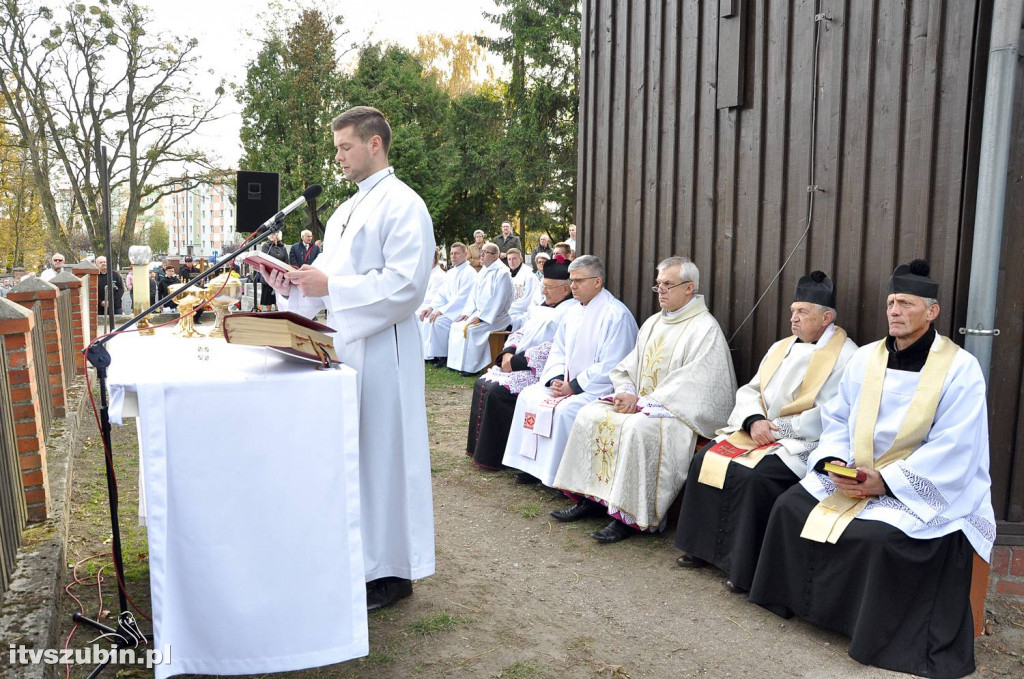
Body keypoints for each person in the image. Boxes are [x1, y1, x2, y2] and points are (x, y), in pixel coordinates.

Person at [748, 260, 995, 679]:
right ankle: (801, 605)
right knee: (791, 507)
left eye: (905, 303)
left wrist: (889, 482)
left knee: (881, 540)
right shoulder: (865, 359)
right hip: (857, 472)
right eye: (891, 302)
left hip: (917, 484)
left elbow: (956, 445)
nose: (894, 311)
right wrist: (835, 465)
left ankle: (865, 632)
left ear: (932, 312)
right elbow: (839, 420)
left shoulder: (960, 368)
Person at [258, 105, 436, 611]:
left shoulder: (404, 205)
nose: (338, 157)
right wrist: (291, 287)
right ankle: (361, 557)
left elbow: (405, 286)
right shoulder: (343, 212)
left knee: (385, 456)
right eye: (336, 148)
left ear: (374, 143)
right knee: (355, 454)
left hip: (384, 350)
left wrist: (330, 285)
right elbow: (325, 285)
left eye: (345, 147)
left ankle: (393, 572)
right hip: (346, 347)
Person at [674, 271, 858, 591]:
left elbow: (834, 412)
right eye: (792, 311)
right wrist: (754, 420)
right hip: (759, 430)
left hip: (801, 440)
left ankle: (742, 566)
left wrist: (781, 428)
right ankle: (703, 549)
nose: (793, 318)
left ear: (827, 317)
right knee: (707, 459)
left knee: (756, 477)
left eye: (802, 312)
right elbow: (751, 389)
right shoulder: (781, 347)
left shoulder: (848, 356)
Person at [551, 256, 736, 542]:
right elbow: (628, 367)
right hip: (643, 404)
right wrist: (626, 391)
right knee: (590, 413)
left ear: (689, 288)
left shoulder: (704, 329)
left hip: (677, 414)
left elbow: (698, 385)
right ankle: (591, 500)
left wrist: (643, 403)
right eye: (658, 285)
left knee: (636, 429)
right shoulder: (653, 323)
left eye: (668, 285)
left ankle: (627, 517)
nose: (661, 290)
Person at [501, 255, 638, 486]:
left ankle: (559, 477)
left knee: (565, 411)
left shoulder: (616, 315)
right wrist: (555, 378)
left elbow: (613, 364)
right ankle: (534, 466)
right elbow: (559, 350)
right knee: (528, 396)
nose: (572, 286)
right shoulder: (573, 312)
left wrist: (573, 386)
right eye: (571, 280)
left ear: (597, 281)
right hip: (565, 382)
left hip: (597, 387)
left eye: (578, 281)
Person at [466, 259, 576, 469]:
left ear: (565, 289)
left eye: (549, 288)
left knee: (498, 391)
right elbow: (521, 331)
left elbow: (555, 347)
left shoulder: (570, 311)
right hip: (516, 362)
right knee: (482, 383)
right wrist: (507, 353)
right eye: (543, 286)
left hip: (539, 370)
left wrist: (516, 362)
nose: (544, 292)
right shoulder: (541, 307)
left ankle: (498, 457)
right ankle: (479, 451)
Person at [446, 243, 513, 376]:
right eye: (481, 252)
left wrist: (481, 317)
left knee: (471, 330)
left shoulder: (502, 272)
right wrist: (466, 313)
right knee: (456, 325)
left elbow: (498, 300)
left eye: (485, 252)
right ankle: (455, 364)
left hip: (496, 317)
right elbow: (473, 295)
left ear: (495, 256)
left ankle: (471, 368)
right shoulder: (483, 270)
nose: (481, 255)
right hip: (479, 313)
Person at [421, 243, 476, 364]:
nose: (453, 256)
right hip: (449, 309)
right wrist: (431, 308)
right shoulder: (451, 272)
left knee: (440, 322)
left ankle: (444, 355)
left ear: (465, 254)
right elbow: (442, 294)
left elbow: (461, 298)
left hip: (462, 311)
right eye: (451, 253)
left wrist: (441, 311)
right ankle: (431, 353)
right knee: (430, 317)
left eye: (456, 253)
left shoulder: (470, 273)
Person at [416, 247, 447, 348]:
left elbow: (432, 297)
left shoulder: (439, 276)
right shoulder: (428, 273)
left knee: (415, 315)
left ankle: (423, 350)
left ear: (432, 260)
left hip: (433, 306)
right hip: (424, 304)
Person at [505, 248, 537, 331]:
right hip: (508, 311)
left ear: (521, 259)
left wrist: (507, 309)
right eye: (509, 259)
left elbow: (527, 299)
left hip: (521, 312)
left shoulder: (529, 275)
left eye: (514, 258)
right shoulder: (507, 273)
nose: (511, 262)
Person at [258, 232, 288, 311]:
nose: (275, 236)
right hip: (269, 274)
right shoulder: (266, 246)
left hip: (280, 275)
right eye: (273, 235)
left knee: (278, 299)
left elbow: (286, 260)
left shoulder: (283, 247)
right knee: (268, 298)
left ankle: (278, 312)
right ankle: (269, 312)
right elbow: (265, 259)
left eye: (276, 235)